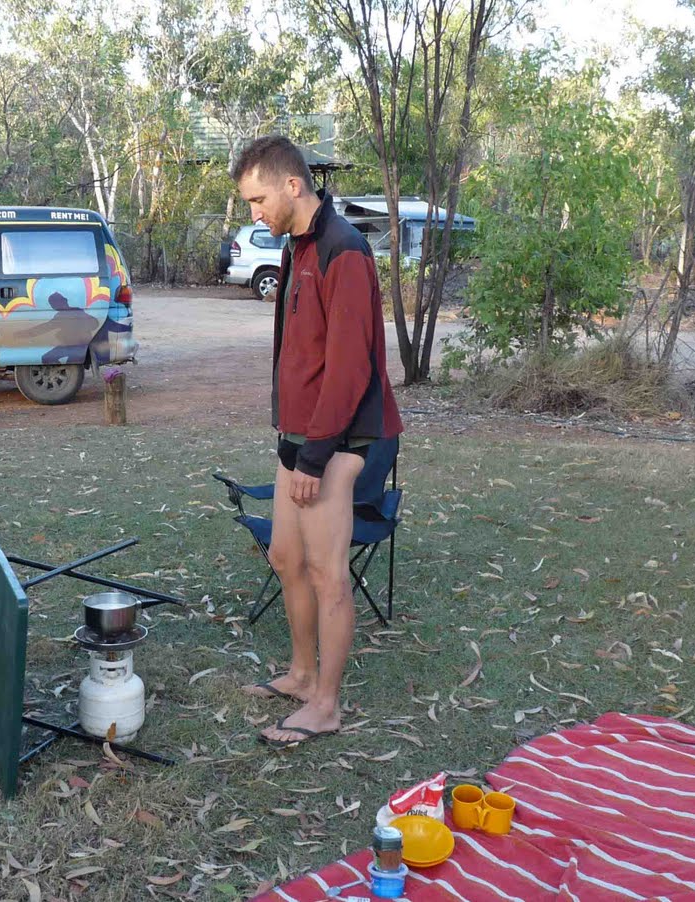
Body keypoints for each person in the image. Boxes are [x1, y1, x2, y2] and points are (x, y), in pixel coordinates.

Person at [231, 135, 403, 748]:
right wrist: (295, 443)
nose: (255, 213)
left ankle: (326, 705)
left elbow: (350, 368)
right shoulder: (298, 247)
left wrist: (315, 455)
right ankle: (302, 675)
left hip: (343, 439)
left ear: (292, 185)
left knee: (329, 572)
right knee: (285, 556)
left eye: (258, 200)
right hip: (301, 437)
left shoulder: (343, 250)